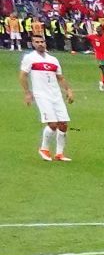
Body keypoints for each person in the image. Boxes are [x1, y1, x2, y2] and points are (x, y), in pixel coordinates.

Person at [19, 31, 75, 162]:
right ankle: (44, 148)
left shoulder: (53, 59)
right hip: (42, 95)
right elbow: (23, 75)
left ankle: (59, 154)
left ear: (45, 43)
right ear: (33, 44)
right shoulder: (30, 58)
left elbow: (60, 77)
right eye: (37, 42)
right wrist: (27, 92)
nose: (40, 44)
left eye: (42, 42)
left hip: (56, 95)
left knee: (63, 124)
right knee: (53, 123)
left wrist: (69, 90)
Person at [88, 21, 104, 92]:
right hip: (99, 56)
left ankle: (102, 82)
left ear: (102, 31)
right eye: (97, 30)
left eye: (99, 30)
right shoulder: (93, 37)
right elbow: (82, 36)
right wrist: (72, 33)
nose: (97, 31)